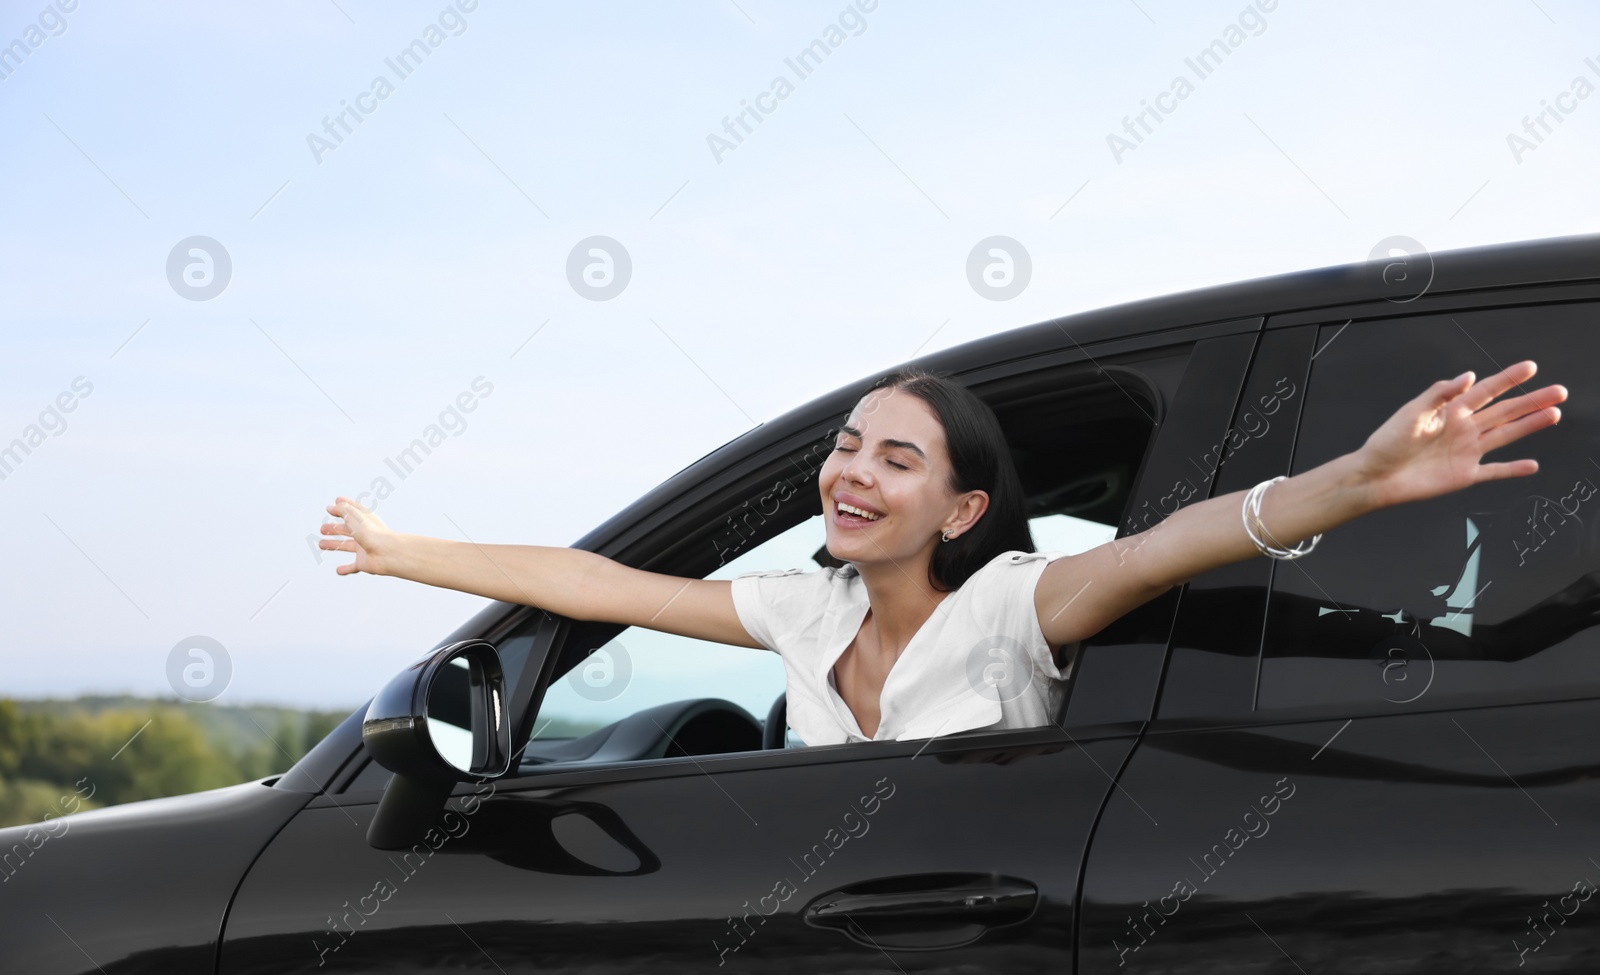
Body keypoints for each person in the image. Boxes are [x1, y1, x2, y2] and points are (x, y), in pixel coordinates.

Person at [319, 361, 1566, 747]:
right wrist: (396, 548)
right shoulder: (803, 611)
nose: (853, 470)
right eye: (848, 445)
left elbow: (1183, 541)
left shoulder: (1019, 601)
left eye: (897, 459)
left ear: (963, 511)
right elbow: (605, 583)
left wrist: (1357, 479)